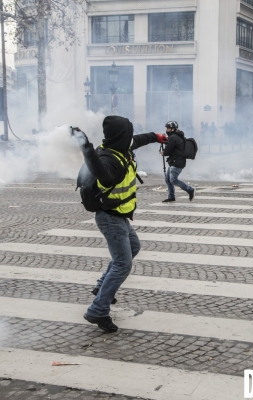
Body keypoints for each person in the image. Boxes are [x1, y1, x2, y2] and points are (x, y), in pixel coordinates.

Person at [72, 116, 168, 333]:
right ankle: (98, 310)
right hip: (110, 217)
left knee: (133, 248)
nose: (130, 138)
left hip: (120, 214)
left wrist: (157, 137)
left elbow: (139, 140)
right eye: (128, 133)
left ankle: (101, 286)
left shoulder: (120, 145)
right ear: (120, 136)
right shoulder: (109, 160)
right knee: (123, 264)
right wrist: (85, 147)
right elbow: (102, 172)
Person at [161, 121, 196, 203]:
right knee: (168, 180)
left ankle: (190, 190)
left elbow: (168, 150)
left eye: (168, 128)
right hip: (175, 161)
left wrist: (164, 152)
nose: (166, 130)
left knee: (173, 180)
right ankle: (171, 196)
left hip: (177, 162)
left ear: (172, 129)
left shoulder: (173, 137)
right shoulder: (177, 136)